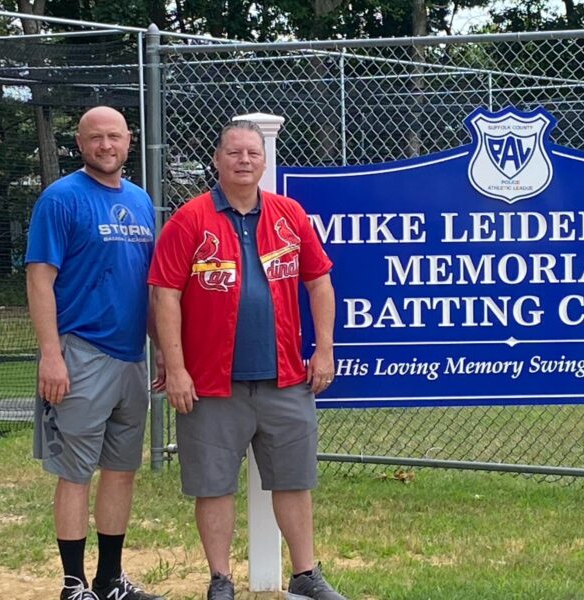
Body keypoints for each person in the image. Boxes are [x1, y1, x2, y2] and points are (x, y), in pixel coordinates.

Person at [148, 120, 346, 600]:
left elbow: (319, 281)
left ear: (263, 161)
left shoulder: (289, 214)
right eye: (233, 152)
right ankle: (220, 579)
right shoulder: (190, 219)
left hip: (284, 377)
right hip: (211, 382)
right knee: (213, 485)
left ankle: (305, 576)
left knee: (294, 480)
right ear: (216, 161)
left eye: (252, 154)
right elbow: (164, 294)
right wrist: (175, 369)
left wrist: (324, 349)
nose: (243, 160)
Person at [26, 106, 162, 600]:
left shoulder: (141, 201)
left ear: (129, 142)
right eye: (96, 138)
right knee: (76, 473)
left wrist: (162, 349)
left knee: (121, 472)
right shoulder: (61, 199)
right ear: (80, 144)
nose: (107, 145)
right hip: (79, 354)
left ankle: (109, 580)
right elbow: (40, 279)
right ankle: (73, 584)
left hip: (130, 358)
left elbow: (147, 286)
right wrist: (51, 354)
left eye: (115, 137)